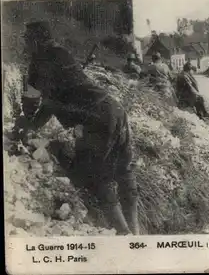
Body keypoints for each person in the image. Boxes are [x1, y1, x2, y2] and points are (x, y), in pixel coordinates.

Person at [20, 21, 140, 235]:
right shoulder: (63, 54)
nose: (25, 44)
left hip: (96, 119)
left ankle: (124, 235)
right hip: (115, 108)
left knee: (96, 175)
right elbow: (52, 101)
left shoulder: (39, 61)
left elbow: (34, 103)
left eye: (27, 40)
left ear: (36, 41)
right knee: (124, 172)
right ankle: (137, 234)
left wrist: (27, 126)